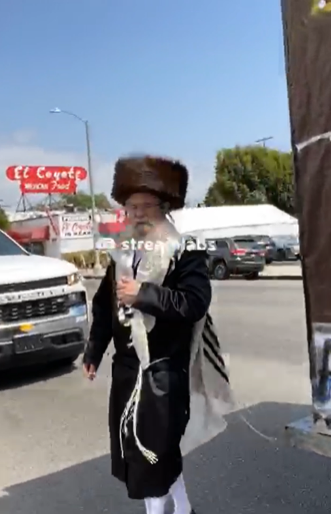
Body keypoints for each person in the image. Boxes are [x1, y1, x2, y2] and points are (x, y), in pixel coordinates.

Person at [83, 155, 231, 514]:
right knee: (149, 453)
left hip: (163, 372)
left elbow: (195, 303)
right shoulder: (122, 252)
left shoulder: (186, 250)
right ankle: (182, 510)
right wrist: (93, 351)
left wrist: (144, 295)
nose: (136, 213)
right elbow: (105, 307)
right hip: (127, 371)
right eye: (131, 206)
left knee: (151, 454)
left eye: (145, 206)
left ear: (164, 208)